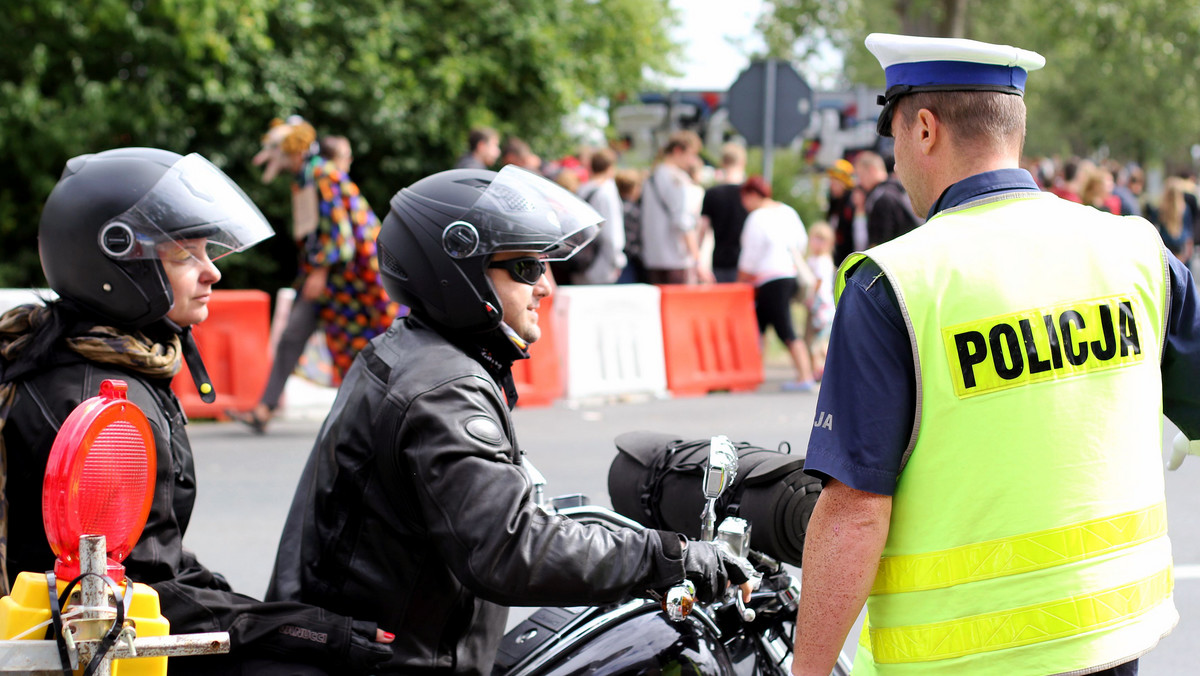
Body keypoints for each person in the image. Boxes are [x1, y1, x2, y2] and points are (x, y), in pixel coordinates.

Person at [793, 33, 1200, 676]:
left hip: (959, 659)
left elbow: (855, 509)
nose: (894, 161)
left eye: (892, 137)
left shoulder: (894, 281)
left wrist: (809, 668)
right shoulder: (1135, 250)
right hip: (1110, 638)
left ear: (924, 129)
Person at [265, 165, 753, 675]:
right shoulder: (446, 389)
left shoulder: (407, 353)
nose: (544, 284)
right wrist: (672, 557)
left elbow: (482, 505)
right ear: (456, 272)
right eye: (525, 267)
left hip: (353, 649)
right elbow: (508, 547)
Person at [0, 148, 394, 675]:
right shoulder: (105, 405)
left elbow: (153, 562)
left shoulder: (87, 357)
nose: (212, 272)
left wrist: (270, 616)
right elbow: (138, 597)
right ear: (119, 259)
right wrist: (308, 631)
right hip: (77, 647)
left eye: (208, 252)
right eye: (187, 255)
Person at [230, 134, 400, 433]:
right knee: (296, 337)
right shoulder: (308, 176)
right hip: (333, 279)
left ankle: (385, 411)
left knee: (371, 345)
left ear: (293, 152)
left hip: (354, 282)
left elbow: (340, 233)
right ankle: (265, 409)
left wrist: (319, 271)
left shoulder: (321, 174)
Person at [737, 176, 816, 392]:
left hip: (768, 278)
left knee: (784, 329)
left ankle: (804, 375)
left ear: (752, 195)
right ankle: (755, 372)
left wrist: (741, 278)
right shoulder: (788, 211)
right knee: (762, 326)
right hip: (788, 273)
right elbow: (801, 241)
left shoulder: (757, 218)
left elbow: (750, 255)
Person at [640, 130, 704, 284]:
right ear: (678, 151)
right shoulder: (677, 179)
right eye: (691, 154)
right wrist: (697, 258)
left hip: (652, 257)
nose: (692, 161)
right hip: (676, 258)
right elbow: (683, 221)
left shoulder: (651, 177)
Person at [571, 147, 626, 284]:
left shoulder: (582, 189)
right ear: (610, 167)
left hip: (580, 260)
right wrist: (617, 260)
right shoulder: (606, 191)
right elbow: (611, 233)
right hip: (601, 262)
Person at [701, 142, 750, 283]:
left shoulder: (712, 194)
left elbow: (702, 230)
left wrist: (698, 262)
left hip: (720, 261)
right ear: (742, 162)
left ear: (722, 162)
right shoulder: (750, 194)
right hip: (747, 262)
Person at [853, 150, 920, 247]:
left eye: (860, 175)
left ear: (872, 170)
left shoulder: (880, 198)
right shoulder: (899, 189)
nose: (859, 181)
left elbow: (878, 246)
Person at [803, 221, 836, 380]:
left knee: (818, 340)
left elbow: (818, 281)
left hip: (822, 306)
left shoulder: (822, 261)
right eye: (815, 238)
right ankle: (818, 368)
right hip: (817, 306)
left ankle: (821, 369)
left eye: (822, 239)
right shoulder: (813, 260)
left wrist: (810, 295)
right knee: (814, 339)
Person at [825, 158, 858, 266]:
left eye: (835, 182)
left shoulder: (852, 203)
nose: (831, 185)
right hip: (836, 258)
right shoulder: (834, 203)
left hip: (849, 259)